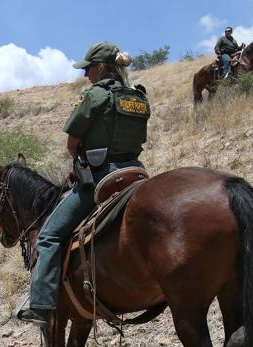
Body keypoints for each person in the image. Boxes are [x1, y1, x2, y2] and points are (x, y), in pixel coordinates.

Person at [15, 42, 150, 326]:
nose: (86, 74)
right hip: (136, 173)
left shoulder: (96, 95)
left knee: (48, 236)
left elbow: (72, 143)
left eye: (88, 69)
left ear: (101, 68)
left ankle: (41, 304)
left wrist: (80, 165)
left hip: (101, 179)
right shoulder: (138, 97)